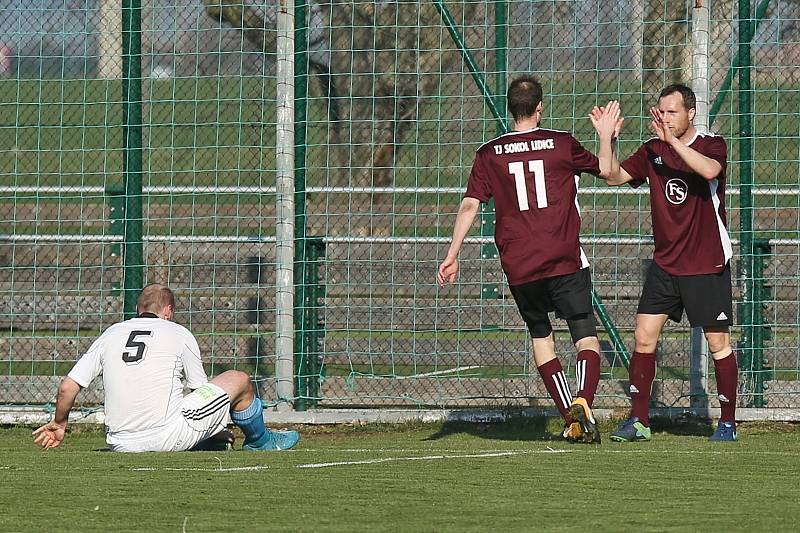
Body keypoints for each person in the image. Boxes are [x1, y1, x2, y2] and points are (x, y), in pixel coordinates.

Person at [438, 75, 604, 443]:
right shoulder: (562, 144)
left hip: (520, 263)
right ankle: (583, 400)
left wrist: (452, 254)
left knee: (541, 334)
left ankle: (569, 416)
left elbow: (469, 204)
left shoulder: (489, 153)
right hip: (563, 257)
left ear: (509, 108)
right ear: (540, 106)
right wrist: (606, 136)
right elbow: (606, 171)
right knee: (584, 334)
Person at [590, 84, 738, 442]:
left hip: (705, 263)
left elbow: (708, 171)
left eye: (672, 112)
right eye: (661, 112)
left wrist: (673, 143)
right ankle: (639, 421)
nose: (665, 118)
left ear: (691, 113)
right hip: (666, 264)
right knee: (643, 335)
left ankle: (728, 422)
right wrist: (607, 139)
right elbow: (612, 176)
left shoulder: (711, 144)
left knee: (718, 342)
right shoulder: (652, 150)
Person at [32, 284, 300, 452]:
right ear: (168, 311)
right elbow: (200, 390)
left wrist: (59, 423)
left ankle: (205, 439)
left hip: (120, 443)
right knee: (238, 379)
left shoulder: (112, 333)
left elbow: (67, 387)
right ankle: (259, 440)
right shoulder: (178, 332)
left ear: (138, 309)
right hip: (167, 436)